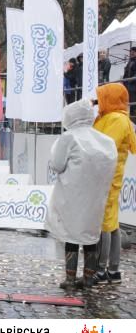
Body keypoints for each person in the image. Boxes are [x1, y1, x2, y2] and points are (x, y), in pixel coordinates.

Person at [44, 99, 117, 289]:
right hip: (95, 196)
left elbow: (57, 164)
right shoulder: (105, 140)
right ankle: (89, 278)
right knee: (91, 235)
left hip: (72, 195)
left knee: (72, 236)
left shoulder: (69, 138)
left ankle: (70, 279)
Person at [93, 83, 136, 285]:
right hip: (107, 175)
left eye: (102, 97)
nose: (99, 101)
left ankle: (102, 270)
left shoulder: (117, 119)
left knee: (106, 222)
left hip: (107, 176)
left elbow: (104, 146)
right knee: (111, 222)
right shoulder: (112, 117)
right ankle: (113, 270)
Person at [122, 47, 136, 119]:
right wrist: (123, 81)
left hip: (133, 86)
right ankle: (128, 119)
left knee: (133, 103)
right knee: (127, 103)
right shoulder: (130, 61)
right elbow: (126, 72)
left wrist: (130, 80)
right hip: (127, 85)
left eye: (133, 52)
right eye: (131, 51)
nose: (132, 53)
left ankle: (133, 119)